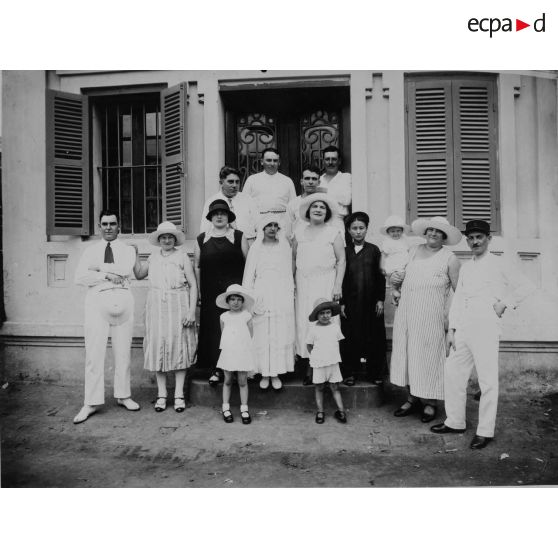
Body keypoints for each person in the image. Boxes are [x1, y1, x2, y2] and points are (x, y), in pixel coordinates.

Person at [431, 220, 535, 449]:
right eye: (471, 238)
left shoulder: (499, 263)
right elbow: (459, 299)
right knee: (453, 372)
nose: (475, 242)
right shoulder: (467, 267)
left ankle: (485, 431)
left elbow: (526, 285)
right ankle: (455, 421)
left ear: (489, 239)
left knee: (487, 380)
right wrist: (452, 330)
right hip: (464, 326)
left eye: (479, 237)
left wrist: (504, 303)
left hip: (486, 325)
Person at [390, 216, 461, 424]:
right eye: (431, 230)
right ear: (425, 232)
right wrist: (394, 284)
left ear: (444, 236)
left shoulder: (450, 258)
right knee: (408, 355)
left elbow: (459, 293)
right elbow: (397, 276)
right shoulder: (412, 251)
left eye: (438, 231)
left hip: (431, 317)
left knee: (428, 358)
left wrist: (452, 322)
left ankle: (430, 402)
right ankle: (411, 398)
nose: (433, 234)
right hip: (407, 314)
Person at [73, 210, 139, 424]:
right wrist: (107, 275)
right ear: (99, 226)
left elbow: (125, 270)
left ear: (119, 226)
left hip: (123, 300)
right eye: (105, 224)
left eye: (112, 223)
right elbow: (80, 277)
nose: (108, 227)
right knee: (94, 353)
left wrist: (98, 268)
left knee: (123, 352)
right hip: (97, 303)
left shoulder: (127, 249)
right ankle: (91, 402)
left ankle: (123, 395)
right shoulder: (90, 250)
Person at [133, 221, 198, 413]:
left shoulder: (182, 256)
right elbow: (139, 274)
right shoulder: (153, 257)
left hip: (178, 304)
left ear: (175, 240)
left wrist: (191, 311)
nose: (167, 240)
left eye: (170, 237)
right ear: (159, 240)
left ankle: (178, 395)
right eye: (163, 237)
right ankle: (161, 395)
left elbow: (193, 285)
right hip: (156, 307)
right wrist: (134, 254)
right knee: (157, 348)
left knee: (179, 348)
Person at [293, 192, 346, 385]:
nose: (318, 210)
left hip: (325, 281)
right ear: (308, 211)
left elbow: (341, 260)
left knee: (325, 322)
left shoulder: (333, 232)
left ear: (327, 212)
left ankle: (329, 367)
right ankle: (309, 366)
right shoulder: (299, 232)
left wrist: (337, 285)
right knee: (304, 322)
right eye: (314, 206)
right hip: (303, 282)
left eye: (322, 207)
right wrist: (291, 282)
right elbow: (293, 258)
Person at [194, 200, 249, 385]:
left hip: (233, 293)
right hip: (210, 291)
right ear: (210, 217)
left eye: (223, 213)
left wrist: (245, 291)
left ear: (228, 217)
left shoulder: (239, 236)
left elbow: (248, 264)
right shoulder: (201, 239)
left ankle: (237, 368)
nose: (219, 216)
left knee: (235, 328)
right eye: (215, 213)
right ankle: (216, 369)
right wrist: (199, 292)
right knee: (213, 329)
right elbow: (197, 266)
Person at [242, 216, 295, 390]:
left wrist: (289, 294)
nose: (272, 228)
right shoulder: (255, 248)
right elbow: (249, 275)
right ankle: (264, 373)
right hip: (261, 292)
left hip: (280, 292)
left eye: (275, 225)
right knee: (262, 332)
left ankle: (276, 373)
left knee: (278, 331)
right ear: (262, 229)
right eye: (268, 225)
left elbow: (288, 273)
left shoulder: (284, 247)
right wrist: (250, 299)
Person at [340, 212, 387, 386]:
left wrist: (380, 299)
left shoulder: (374, 250)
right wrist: (341, 303)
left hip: (371, 301)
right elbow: (340, 278)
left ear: (367, 229)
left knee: (374, 336)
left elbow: (380, 276)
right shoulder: (344, 252)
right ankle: (349, 373)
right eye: (354, 228)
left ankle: (375, 373)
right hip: (351, 302)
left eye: (361, 228)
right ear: (348, 230)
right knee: (349, 336)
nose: (358, 232)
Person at [215, 284, 255, 425]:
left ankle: (244, 409)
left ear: (243, 301)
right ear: (227, 301)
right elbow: (224, 334)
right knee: (227, 380)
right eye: (232, 299)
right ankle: (226, 408)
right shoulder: (223, 317)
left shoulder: (247, 316)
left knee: (242, 381)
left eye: (239, 299)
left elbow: (250, 335)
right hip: (229, 352)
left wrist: (243, 348)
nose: (235, 302)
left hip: (242, 352)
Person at [306, 298, 347, 424]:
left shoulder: (335, 327)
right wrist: (316, 356)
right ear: (317, 315)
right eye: (322, 313)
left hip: (333, 363)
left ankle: (341, 411)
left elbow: (338, 343)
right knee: (319, 387)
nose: (325, 316)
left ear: (331, 313)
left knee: (335, 387)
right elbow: (309, 345)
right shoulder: (313, 329)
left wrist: (332, 355)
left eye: (328, 312)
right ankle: (320, 412)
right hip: (319, 364)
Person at [242, 147, 297, 235]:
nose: (272, 163)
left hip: (281, 226)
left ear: (279, 163)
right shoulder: (252, 180)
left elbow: (293, 206)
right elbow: (244, 205)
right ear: (262, 161)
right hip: (259, 225)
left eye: (275, 161)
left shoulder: (287, 181)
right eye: (268, 160)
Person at [199, 166, 258, 245]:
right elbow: (205, 228)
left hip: (248, 242)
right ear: (221, 183)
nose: (234, 185)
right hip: (222, 244)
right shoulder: (211, 201)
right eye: (230, 182)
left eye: (237, 182)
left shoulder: (247, 199)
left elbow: (258, 223)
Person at [319, 146, 352, 238]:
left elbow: (346, 200)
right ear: (323, 161)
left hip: (337, 221)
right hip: (319, 221)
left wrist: (324, 191)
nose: (330, 162)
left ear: (339, 161)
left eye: (334, 159)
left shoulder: (346, 177)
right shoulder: (319, 180)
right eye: (327, 159)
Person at [379, 215, 412, 305]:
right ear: (388, 232)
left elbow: (408, 250)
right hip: (393, 264)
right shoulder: (387, 241)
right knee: (394, 280)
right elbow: (383, 254)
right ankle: (394, 291)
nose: (396, 233)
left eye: (398, 231)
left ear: (402, 231)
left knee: (403, 280)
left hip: (403, 263)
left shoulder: (404, 239)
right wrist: (382, 266)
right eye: (392, 231)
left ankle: (399, 295)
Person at [285, 165, 323, 239]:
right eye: (307, 178)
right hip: (299, 244)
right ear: (301, 182)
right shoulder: (293, 204)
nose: (310, 182)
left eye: (314, 179)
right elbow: (288, 231)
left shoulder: (324, 203)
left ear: (319, 182)